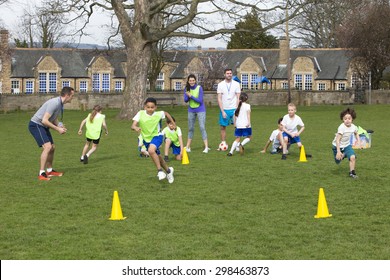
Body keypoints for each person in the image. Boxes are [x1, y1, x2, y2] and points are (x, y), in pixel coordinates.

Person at [28, 86, 75, 181]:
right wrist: (57, 129)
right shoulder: (55, 103)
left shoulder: (60, 104)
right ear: (67, 95)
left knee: (52, 148)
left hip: (43, 125)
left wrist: (59, 125)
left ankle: (49, 171)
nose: (73, 98)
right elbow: (44, 120)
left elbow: (53, 118)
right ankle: (41, 173)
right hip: (36, 125)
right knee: (48, 147)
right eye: (72, 96)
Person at [131, 97, 175, 183]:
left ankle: (160, 171)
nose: (150, 109)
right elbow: (132, 125)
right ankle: (169, 171)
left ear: (155, 107)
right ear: (144, 107)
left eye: (152, 107)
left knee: (151, 151)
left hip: (157, 136)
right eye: (148, 107)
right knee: (158, 157)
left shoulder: (159, 114)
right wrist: (135, 128)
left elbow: (166, 114)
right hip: (146, 140)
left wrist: (174, 124)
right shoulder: (140, 113)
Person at [183, 74, 210, 153]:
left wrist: (191, 96)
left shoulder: (199, 88)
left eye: (193, 80)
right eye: (190, 81)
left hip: (200, 109)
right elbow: (185, 100)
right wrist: (188, 96)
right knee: (190, 128)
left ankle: (206, 147)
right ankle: (188, 147)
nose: (192, 82)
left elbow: (200, 101)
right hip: (191, 110)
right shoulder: (186, 89)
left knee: (202, 127)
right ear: (188, 81)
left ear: (195, 81)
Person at [332, 108, 361, 178]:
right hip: (337, 146)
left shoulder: (354, 127)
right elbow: (337, 140)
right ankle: (343, 155)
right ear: (342, 119)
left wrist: (359, 142)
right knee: (338, 161)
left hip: (347, 145)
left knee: (352, 157)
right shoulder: (341, 128)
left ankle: (352, 173)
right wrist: (338, 152)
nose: (347, 120)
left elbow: (356, 133)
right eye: (345, 119)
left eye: (349, 118)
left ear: (352, 119)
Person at [217, 68, 241, 149]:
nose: (229, 75)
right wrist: (222, 111)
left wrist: (237, 110)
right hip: (224, 109)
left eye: (230, 73)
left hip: (234, 109)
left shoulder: (236, 84)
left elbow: (238, 98)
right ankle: (223, 143)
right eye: (227, 73)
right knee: (223, 127)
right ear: (224, 74)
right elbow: (219, 98)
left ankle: (237, 144)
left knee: (237, 127)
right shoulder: (220, 85)